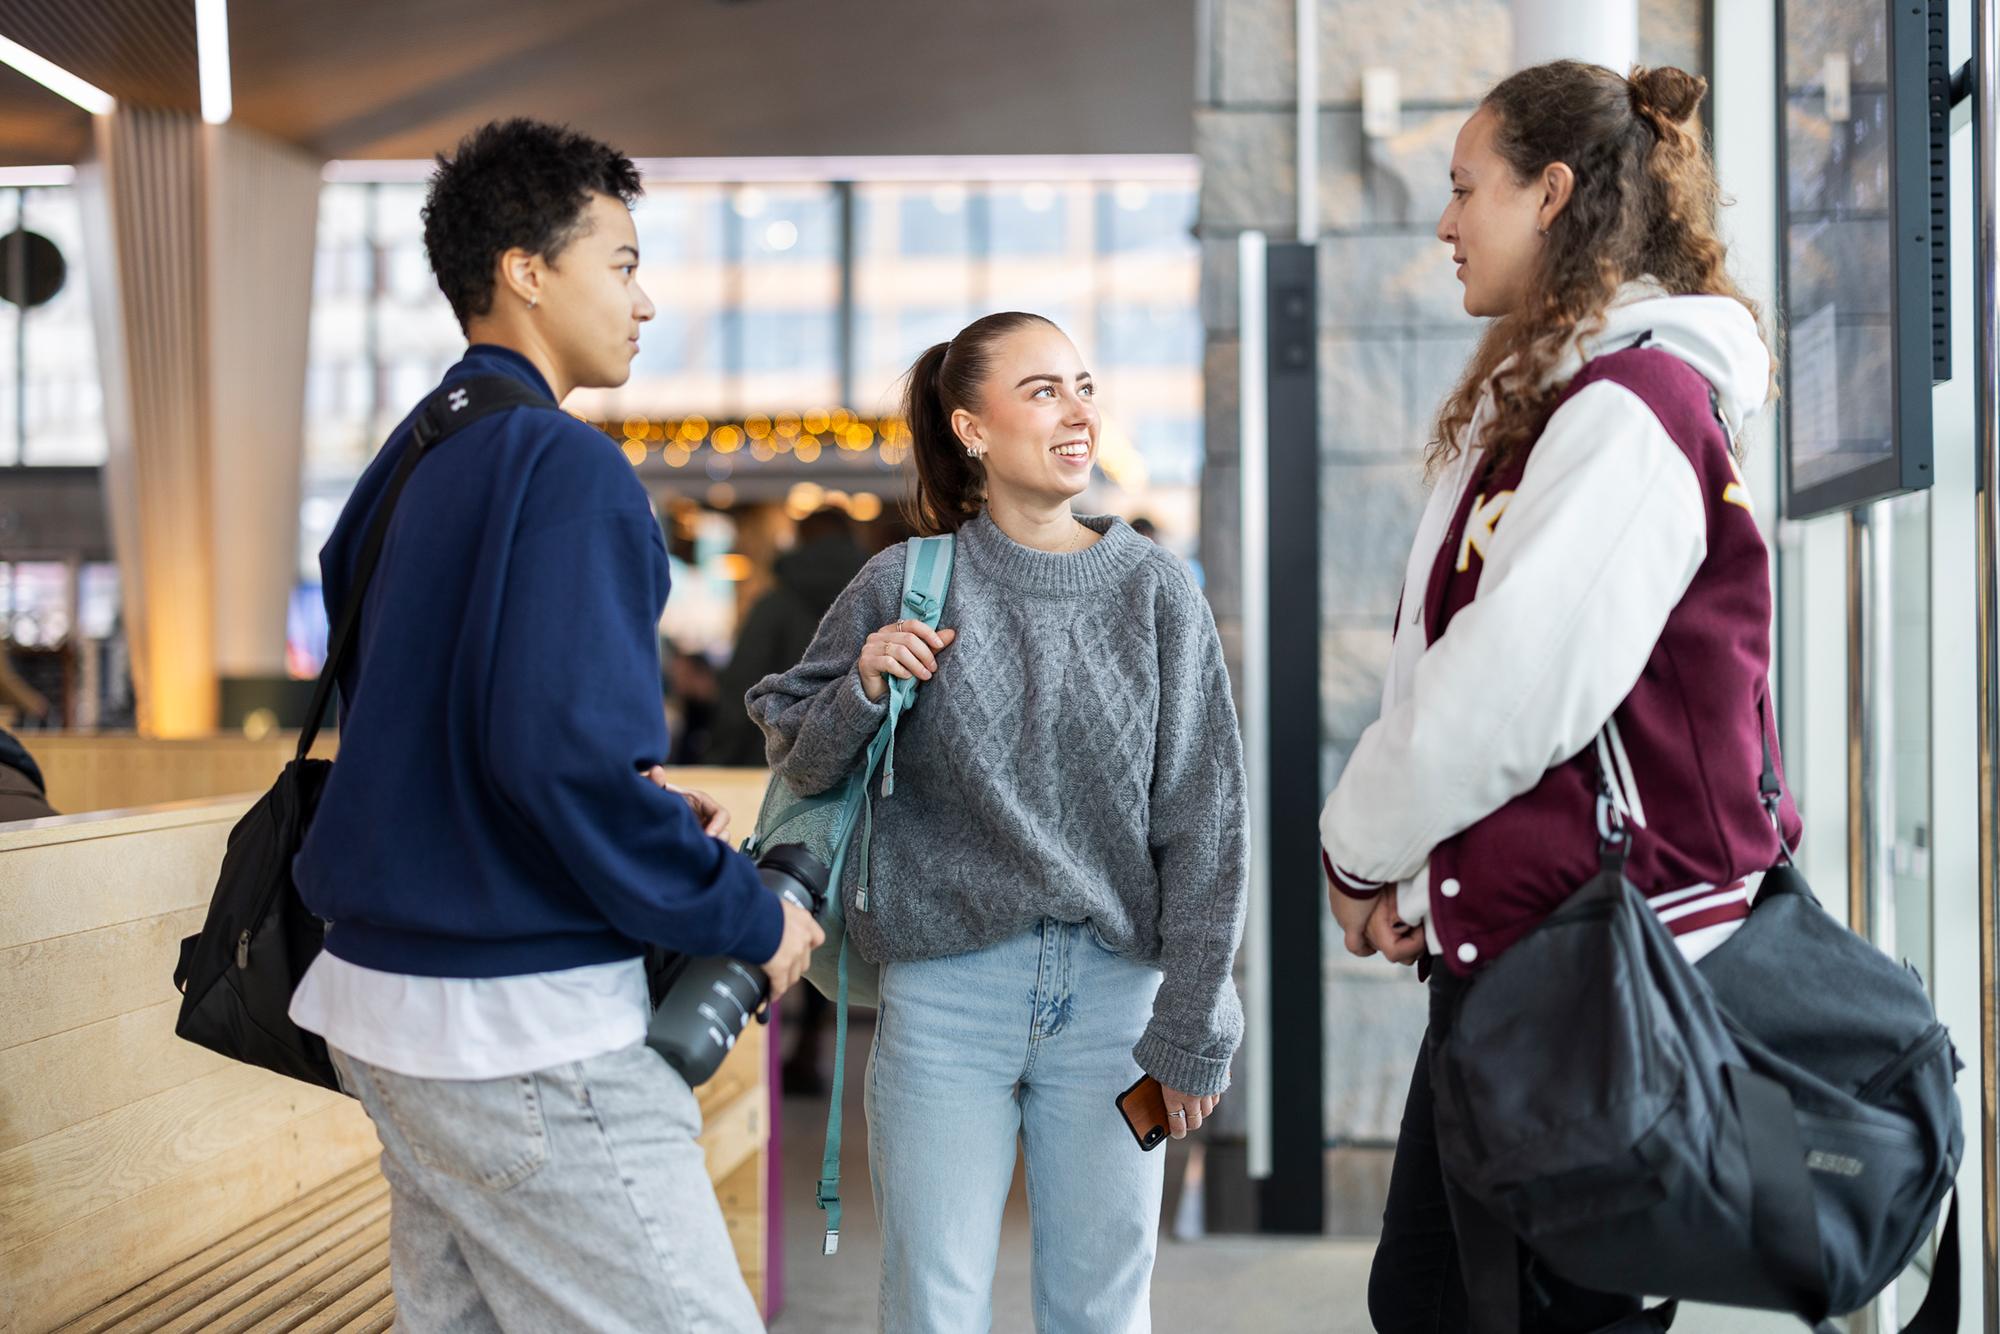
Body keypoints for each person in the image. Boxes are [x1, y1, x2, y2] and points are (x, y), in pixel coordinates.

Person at [287, 118, 822, 1334]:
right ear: (526, 270)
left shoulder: (409, 457)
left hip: (385, 1008)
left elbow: (455, 738)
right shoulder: (563, 466)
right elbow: (557, 763)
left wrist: (629, 803)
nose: (645, 300)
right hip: (517, 1029)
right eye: (622, 263)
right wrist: (753, 914)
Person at [1317, 62, 1802, 1333]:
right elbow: (1554, 721)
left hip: (1596, 976)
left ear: (1551, 193)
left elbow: (1509, 691)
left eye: (1463, 187)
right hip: (1541, 956)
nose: (1443, 221)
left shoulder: (1634, 409)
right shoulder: (1584, 402)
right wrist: (1417, 881)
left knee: (1511, 1307)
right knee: (1446, 1295)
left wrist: (1359, 853)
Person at [747, 311, 1247, 1333]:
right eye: (1042, 390)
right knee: (931, 1307)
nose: (1078, 411)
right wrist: (862, 682)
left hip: (1117, 1003)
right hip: (942, 998)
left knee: (1101, 1309)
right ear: (972, 428)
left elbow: (1207, 819)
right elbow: (797, 754)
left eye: (1084, 384)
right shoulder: (904, 581)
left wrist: (1195, 1018)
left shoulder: (1155, 591)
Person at [707, 507, 868, 768]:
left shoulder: (775, 605)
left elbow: (741, 684)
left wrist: (720, 757)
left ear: (801, 541)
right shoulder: (880, 599)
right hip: (857, 768)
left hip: (771, 764)